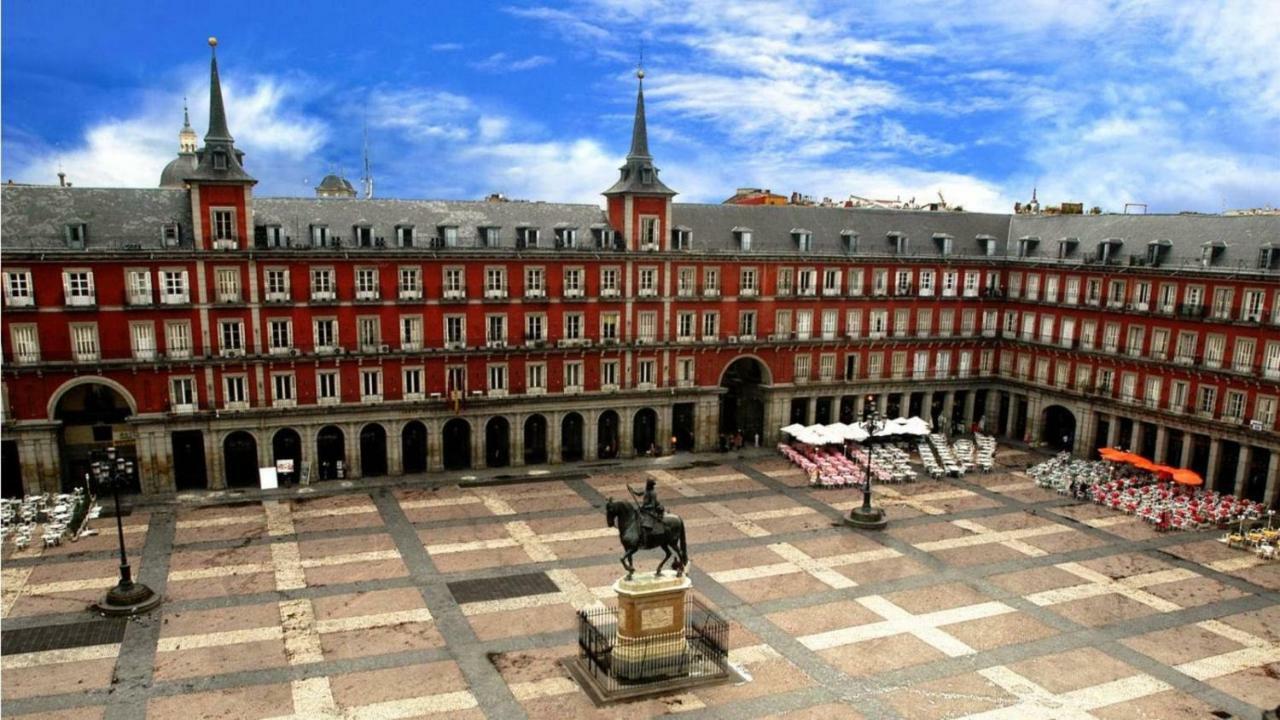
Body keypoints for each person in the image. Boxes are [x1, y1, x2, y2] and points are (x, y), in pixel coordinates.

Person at [630, 479, 664, 545]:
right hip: (644, 509)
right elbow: (639, 494)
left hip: (650, 511)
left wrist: (644, 507)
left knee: (645, 525)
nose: (646, 486)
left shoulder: (653, 493)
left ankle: (646, 540)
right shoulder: (646, 490)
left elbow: (652, 504)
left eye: (648, 485)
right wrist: (633, 491)